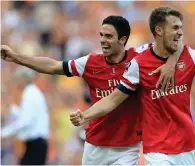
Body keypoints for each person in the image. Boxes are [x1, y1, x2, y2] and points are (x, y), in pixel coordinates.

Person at [68, 6, 195, 165]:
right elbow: (114, 98)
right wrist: (87, 115)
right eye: (175, 28)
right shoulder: (138, 63)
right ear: (158, 30)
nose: (179, 33)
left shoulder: (189, 56)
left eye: (181, 29)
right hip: (156, 148)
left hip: (186, 144)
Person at [1, 15, 181, 165]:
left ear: (123, 39)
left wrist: (171, 64)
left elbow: (174, 40)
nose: (103, 40)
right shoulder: (90, 62)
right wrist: (16, 57)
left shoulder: (140, 57)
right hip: (95, 145)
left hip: (127, 147)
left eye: (109, 36)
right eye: (101, 35)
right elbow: (53, 66)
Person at [1, 66, 49, 165]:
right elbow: (27, 117)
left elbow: (25, 121)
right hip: (36, 145)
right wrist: (14, 109)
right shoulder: (33, 92)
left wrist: (4, 133)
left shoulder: (30, 93)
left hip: (35, 144)